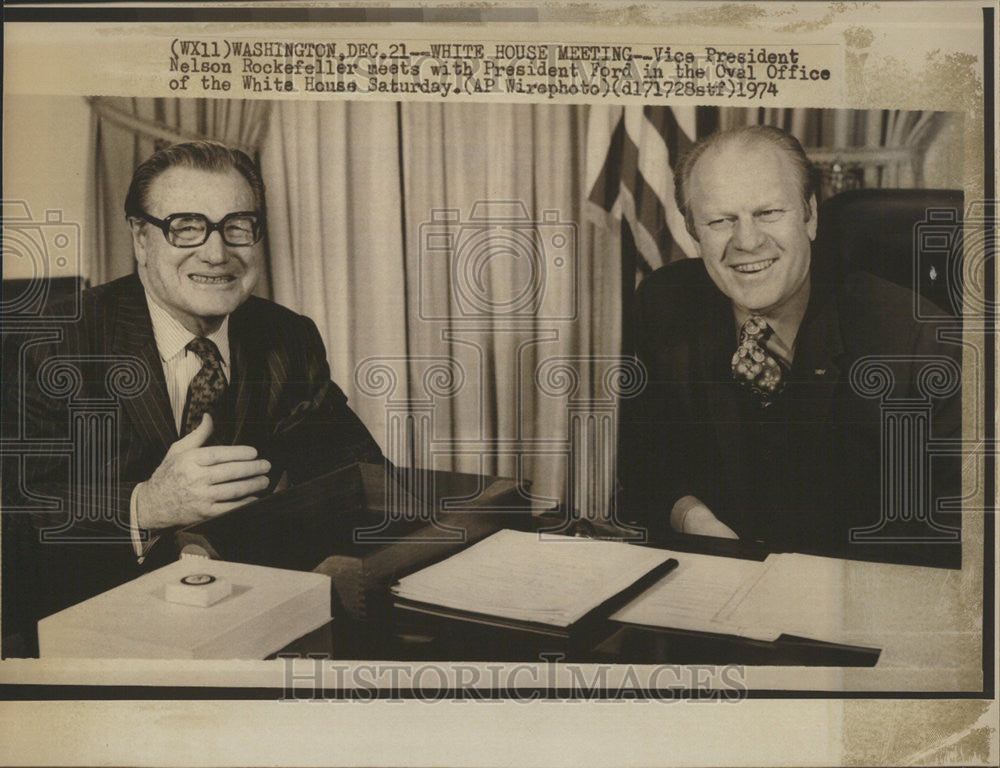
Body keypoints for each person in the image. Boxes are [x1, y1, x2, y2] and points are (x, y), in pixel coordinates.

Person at [3, 141, 383, 649]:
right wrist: (145, 505)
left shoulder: (286, 336)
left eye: (237, 225)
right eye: (186, 226)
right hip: (91, 637)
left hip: (249, 624)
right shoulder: (49, 344)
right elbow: (14, 519)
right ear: (141, 238)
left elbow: (361, 480)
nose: (217, 252)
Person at [619, 125, 961, 567]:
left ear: (809, 216)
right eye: (720, 220)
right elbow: (642, 457)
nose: (746, 242)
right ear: (692, 232)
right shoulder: (664, 303)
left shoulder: (919, 344)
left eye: (767, 213)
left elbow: (952, 532)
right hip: (709, 591)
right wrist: (692, 518)